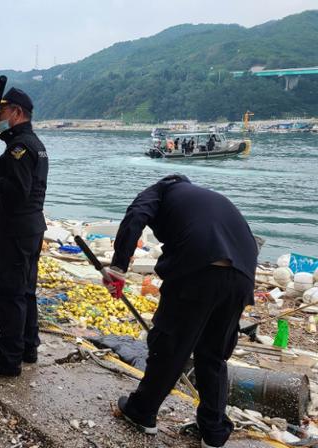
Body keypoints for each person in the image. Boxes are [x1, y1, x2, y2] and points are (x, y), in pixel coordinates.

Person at [106, 175, 258, 448]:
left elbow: (135, 217)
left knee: (170, 344)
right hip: (242, 276)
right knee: (213, 355)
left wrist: (118, 267)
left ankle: (142, 412)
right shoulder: (208, 198)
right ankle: (213, 431)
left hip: (199, 269)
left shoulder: (159, 191)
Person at [0, 87, 49, 376]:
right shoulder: (31, 143)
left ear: (16, 112)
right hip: (29, 229)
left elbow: (17, 192)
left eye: (2, 112)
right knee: (25, 291)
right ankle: (27, 346)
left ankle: (9, 358)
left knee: (9, 293)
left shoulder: (20, 148)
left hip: (17, 230)